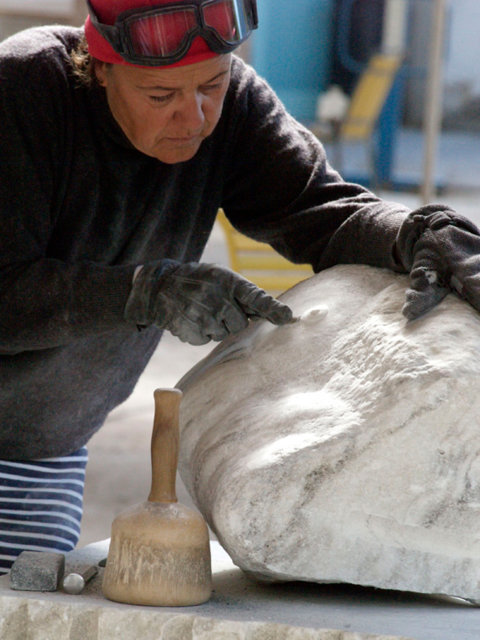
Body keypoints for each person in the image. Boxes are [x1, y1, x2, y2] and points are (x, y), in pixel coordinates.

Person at [1, 0, 479, 574]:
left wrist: (417, 234)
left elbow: (319, 210)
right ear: (100, 66)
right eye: (160, 96)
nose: (195, 117)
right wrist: (142, 292)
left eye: (213, 83)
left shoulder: (235, 110)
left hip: (43, 447)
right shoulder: (23, 92)